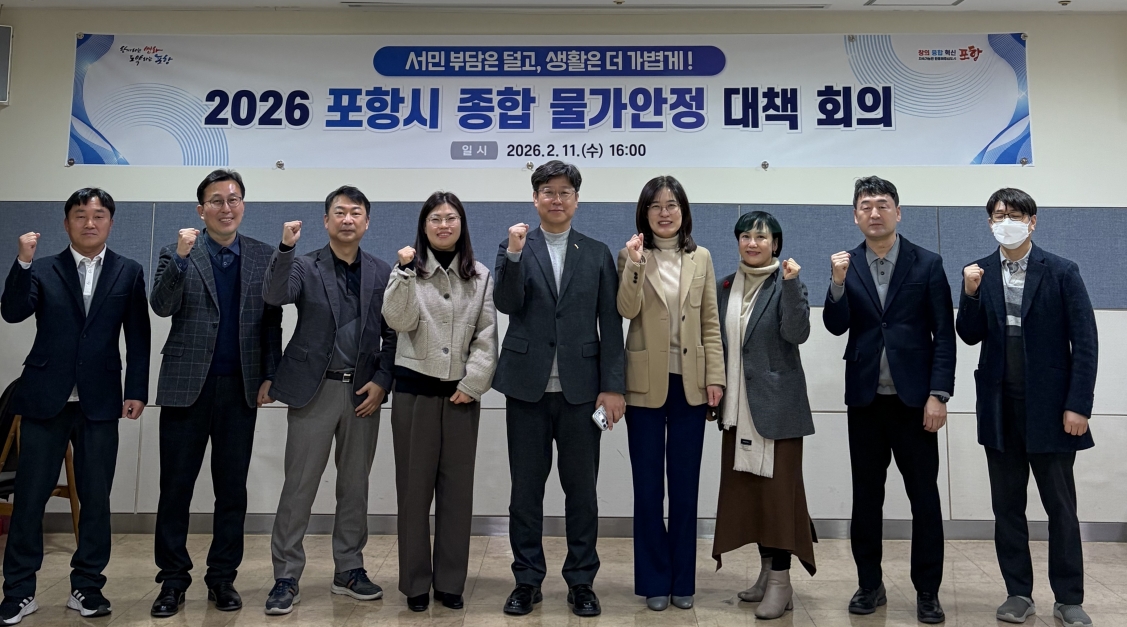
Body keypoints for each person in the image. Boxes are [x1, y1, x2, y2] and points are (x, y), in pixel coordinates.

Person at [0, 188, 150, 624]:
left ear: (110, 223)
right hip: (45, 399)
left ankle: (87, 587)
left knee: (96, 499)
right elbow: (12, 312)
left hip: (100, 401)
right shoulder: (43, 267)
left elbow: (138, 335)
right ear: (66, 223)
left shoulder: (128, 271)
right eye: (80, 215)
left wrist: (136, 389)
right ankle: (19, 591)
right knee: (30, 498)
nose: (89, 222)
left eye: (98, 215)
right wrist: (22, 262)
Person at [956, 188, 1097, 627]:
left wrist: (1078, 405)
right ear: (989, 223)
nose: (1007, 222)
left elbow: (1085, 342)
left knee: (1061, 508)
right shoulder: (979, 272)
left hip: (1052, 410)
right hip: (1000, 408)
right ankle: (1018, 593)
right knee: (1007, 508)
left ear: (1032, 221)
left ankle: (1068, 597)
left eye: (1015, 215)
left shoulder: (1061, 271)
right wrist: (970, 293)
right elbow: (969, 334)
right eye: (999, 216)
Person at [148, 169, 283, 617]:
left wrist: (271, 374)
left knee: (231, 490)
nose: (227, 208)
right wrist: (181, 258)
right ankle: (172, 580)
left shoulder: (262, 255)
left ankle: (222, 578)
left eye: (234, 199)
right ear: (201, 209)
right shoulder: (177, 252)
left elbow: (271, 323)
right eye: (217, 201)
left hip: (240, 388)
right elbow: (161, 306)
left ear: (243, 205)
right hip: (186, 387)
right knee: (175, 489)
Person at [493, 160, 625, 618]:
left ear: (576, 200)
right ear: (535, 198)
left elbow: (611, 324)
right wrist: (513, 255)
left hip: (582, 392)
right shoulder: (515, 247)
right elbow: (507, 303)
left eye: (565, 192)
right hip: (526, 389)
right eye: (547, 191)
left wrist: (613, 386)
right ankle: (527, 581)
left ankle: (581, 581)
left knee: (582, 493)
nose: (556, 199)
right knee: (525, 493)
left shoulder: (597, 252)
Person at [822, 176, 955, 624]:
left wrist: (939, 394)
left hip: (915, 403)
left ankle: (927, 591)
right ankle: (869, 584)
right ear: (855, 215)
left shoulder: (927, 263)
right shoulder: (847, 263)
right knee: (866, 498)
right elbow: (836, 326)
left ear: (898, 212)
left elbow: (944, 335)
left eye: (882, 205)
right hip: (865, 402)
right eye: (866, 206)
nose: (874, 213)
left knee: (925, 499)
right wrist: (837, 283)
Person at [260, 185, 397, 615]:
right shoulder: (304, 265)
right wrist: (285, 248)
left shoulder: (382, 271)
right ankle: (286, 576)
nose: (347, 219)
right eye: (339, 212)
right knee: (299, 486)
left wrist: (382, 381)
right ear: (326, 220)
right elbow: (274, 295)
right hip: (313, 390)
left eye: (356, 212)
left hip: (363, 394)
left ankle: (349, 569)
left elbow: (393, 332)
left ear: (367, 222)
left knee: (355, 486)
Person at [382, 191, 498, 612]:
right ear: (424, 226)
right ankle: (415, 582)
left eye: (451, 218)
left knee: (457, 495)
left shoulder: (480, 276)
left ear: (461, 225)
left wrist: (474, 382)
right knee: (413, 494)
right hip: (414, 396)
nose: (443, 225)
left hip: (461, 397)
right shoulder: (408, 270)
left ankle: (450, 581)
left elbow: (487, 336)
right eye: (435, 219)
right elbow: (398, 320)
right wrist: (402, 273)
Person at [616, 176, 723, 612]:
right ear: (644, 213)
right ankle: (654, 580)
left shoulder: (701, 257)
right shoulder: (630, 255)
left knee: (684, 489)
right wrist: (635, 264)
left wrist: (715, 377)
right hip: (644, 385)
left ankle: (683, 581)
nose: (665, 212)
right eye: (656, 205)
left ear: (684, 211)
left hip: (690, 385)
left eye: (672, 204)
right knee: (647, 490)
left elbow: (711, 323)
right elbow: (626, 309)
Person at [711, 211, 817, 620]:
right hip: (737, 407)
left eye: (762, 237)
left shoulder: (788, 283)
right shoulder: (725, 286)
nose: (752, 243)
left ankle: (781, 582)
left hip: (777, 409)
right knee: (752, 498)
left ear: (776, 243)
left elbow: (796, 333)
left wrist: (790, 284)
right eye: (745, 236)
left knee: (777, 500)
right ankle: (766, 573)